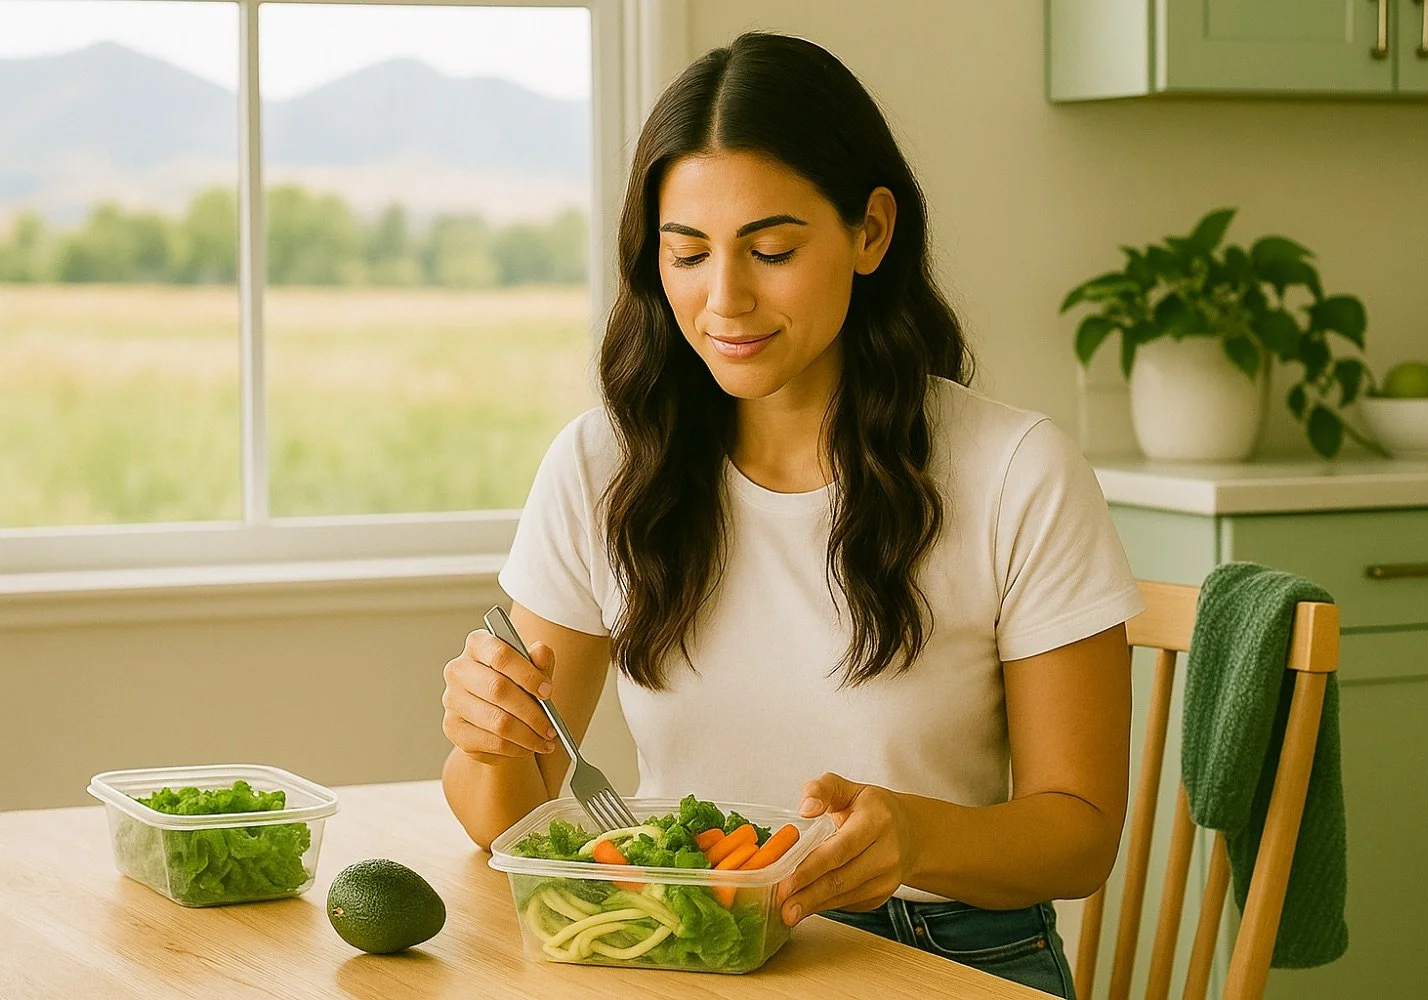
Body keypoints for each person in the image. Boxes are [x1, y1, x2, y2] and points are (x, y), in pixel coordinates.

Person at [440, 31, 1143, 999]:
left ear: (871, 231)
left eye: (771, 250)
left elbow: (1082, 832)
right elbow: (499, 816)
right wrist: (490, 739)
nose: (724, 300)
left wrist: (919, 834)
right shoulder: (604, 467)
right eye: (687, 255)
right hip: (684, 944)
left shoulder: (1017, 473)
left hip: (944, 952)